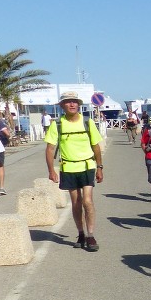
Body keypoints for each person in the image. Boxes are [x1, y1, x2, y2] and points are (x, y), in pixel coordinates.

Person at [44, 92, 104, 252]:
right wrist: (51, 170)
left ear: (78, 105)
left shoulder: (87, 122)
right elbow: (50, 149)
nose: (72, 104)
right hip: (68, 168)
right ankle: (81, 233)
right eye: (68, 102)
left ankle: (91, 235)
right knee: (76, 203)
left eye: (74, 102)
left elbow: (96, 146)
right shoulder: (57, 124)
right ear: (62, 106)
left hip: (87, 166)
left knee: (87, 201)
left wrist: (100, 167)